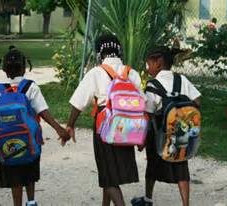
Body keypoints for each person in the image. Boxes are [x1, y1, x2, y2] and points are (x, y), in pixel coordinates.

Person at [0, 46, 70, 206]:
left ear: (4, 69)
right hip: (30, 141)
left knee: (14, 175)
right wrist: (59, 129)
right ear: (25, 68)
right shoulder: (30, 87)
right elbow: (43, 112)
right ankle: (31, 201)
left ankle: (17, 203)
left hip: (6, 143)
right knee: (29, 170)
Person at [64, 34, 142, 206]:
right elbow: (142, 105)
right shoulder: (132, 73)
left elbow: (79, 102)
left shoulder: (96, 73)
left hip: (105, 128)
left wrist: (70, 125)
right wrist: (141, 137)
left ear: (100, 53)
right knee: (110, 171)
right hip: (128, 128)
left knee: (108, 174)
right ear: (119, 52)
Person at [132, 46, 201, 206]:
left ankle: (148, 199)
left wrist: (141, 139)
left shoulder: (153, 85)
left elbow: (147, 114)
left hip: (159, 135)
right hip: (182, 133)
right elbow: (197, 101)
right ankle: (186, 204)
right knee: (182, 167)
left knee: (152, 166)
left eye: (148, 63)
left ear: (159, 62)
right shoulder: (182, 79)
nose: (147, 67)